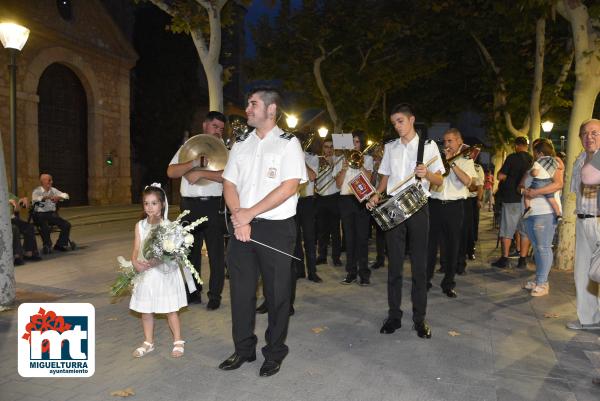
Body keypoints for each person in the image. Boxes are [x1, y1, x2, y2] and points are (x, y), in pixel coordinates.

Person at [220, 87, 307, 377]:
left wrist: (248, 214)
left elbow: (288, 188)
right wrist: (239, 216)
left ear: (271, 110)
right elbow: (229, 183)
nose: (247, 108)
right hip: (241, 226)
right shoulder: (241, 143)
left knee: (277, 294)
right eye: (247, 103)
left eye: (253, 104)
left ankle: (274, 352)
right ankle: (243, 349)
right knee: (241, 293)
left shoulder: (287, 143)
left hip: (276, 229)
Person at [367, 103, 444, 339]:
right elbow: (385, 177)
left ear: (412, 120)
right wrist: (376, 194)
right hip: (393, 207)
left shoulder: (428, 146)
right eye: (394, 123)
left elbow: (439, 180)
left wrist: (427, 174)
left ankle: (419, 319)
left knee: (419, 267)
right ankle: (394, 316)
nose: (397, 126)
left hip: (418, 207)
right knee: (395, 266)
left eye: (400, 121)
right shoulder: (390, 147)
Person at [167, 111, 227, 310]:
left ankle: (215, 296)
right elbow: (171, 171)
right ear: (205, 125)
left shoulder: (225, 150)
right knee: (190, 252)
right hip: (190, 205)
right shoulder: (189, 147)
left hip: (213, 205)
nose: (218, 131)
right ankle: (193, 292)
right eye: (215, 126)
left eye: (221, 128)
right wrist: (193, 163)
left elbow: (228, 176)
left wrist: (200, 173)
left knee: (216, 253)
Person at [129, 185, 188, 358]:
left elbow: (171, 252)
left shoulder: (169, 226)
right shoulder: (140, 225)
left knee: (170, 310)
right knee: (145, 310)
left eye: (154, 203)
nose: (149, 207)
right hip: (146, 273)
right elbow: (136, 247)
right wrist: (134, 262)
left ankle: (178, 340)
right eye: (146, 203)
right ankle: (148, 342)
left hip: (163, 274)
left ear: (162, 204)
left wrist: (157, 261)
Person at [427, 129, 476, 296]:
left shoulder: (466, 160)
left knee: (453, 245)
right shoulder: (436, 160)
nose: (446, 144)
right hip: (435, 204)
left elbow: (468, 182)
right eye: (445, 141)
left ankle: (448, 283)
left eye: (450, 141)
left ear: (459, 141)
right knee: (430, 245)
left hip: (455, 206)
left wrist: (451, 163)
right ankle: (426, 279)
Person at [566, 119, 600, 330]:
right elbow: (575, 192)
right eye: (585, 133)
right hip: (582, 219)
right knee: (582, 272)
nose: (590, 137)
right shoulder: (579, 159)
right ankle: (589, 319)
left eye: (595, 132)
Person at [520, 139, 563, 297]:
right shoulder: (535, 165)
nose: (533, 153)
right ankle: (539, 279)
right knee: (538, 247)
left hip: (544, 212)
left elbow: (558, 184)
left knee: (543, 247)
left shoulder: (554, 163)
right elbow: (522, 184)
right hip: (530, 212)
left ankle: (543, 283)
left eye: (535, 149)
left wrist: (534, 193)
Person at [334, 131, 373, 285]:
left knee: (362, 238)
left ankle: (364, 273)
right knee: (349, 239)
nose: (355, 144)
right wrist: (344, 168)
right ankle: (351, 272)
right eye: (353, 142)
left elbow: (369, 180)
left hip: (361, 199)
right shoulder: (341, 159)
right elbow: (338, 184)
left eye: (357, 142)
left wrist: (360, 164)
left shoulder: (367, 159)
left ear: (361, 144)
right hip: (345, 200)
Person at [491, 136, 533, 269]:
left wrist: (504, 175)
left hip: (511, 198)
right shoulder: (532, 159)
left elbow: (500, 176)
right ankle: (522, 260)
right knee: (524, 231)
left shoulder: (512, 158)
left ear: (516, 145)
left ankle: (505, 259)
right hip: (527, 200)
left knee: (507, 230)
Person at [293, 137, 321, 283]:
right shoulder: (288, 158)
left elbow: (312, 176)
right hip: (293, 201)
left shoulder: (312, 157)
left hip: (308, 202)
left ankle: (312, 271)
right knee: (295, 238)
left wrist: (300, 159)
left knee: (310, 238)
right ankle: (299, 270)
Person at [314, 137, 343, 267]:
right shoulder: (317, 160)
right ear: (322, 148)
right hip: (320, 197)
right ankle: (322, 255)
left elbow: (338, 179)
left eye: (331, 147)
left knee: (335, 230)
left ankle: (336, 257)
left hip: (334, 197)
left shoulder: (339, 160)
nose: (329, 149)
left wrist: (332, 164)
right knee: (321, 229)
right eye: (326, 146)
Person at [31, 174, 73, 254]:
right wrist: (47, 197)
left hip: (51, 214)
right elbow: (35, 199)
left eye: (51, 180)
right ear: (43, 181)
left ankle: (60, 244)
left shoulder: (53, 190)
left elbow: (66, 195)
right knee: (45, 226)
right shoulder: (37, 191)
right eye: (49, 180)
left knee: (66, 224)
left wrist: (59, 197)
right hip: (39, 214)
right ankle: (47, 245)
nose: (51, 182)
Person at [522, 141, 563, 220]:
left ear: (540, 153)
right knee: (552, 200)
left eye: (535, 153)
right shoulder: (553, 161)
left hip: (538, 183)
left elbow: (535, 173)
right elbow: (560, 167)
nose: (534, 155)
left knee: (527, 196)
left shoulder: (538, 162)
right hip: (548, 183)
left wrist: (531, 172)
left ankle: (528, 208)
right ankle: (558, 214)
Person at [9, 193, 41, 265]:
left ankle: (28, 252)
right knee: (14, 229)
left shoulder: (5, 192)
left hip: (11, 219)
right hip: (2, 221)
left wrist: (23, 199)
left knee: (29, 227)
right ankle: (16, 256)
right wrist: (8, 201)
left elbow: (17, 203)